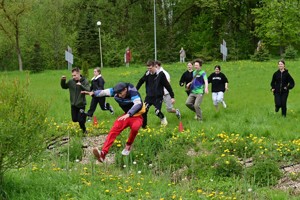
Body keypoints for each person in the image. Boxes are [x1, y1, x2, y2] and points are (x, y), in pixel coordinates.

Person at [82, 82, 145, 163]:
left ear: (125, 90)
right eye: (117, 94)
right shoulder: (115, 92)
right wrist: (92, 93)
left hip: (137, 116)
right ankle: (103, 154)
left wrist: (129, 114)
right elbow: (103, 92)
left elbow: (138, 103)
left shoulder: (132, 91)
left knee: (135, 127)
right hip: (125, 115)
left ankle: (128, 145)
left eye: (121, 93)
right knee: (114, 130)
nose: (119, 95)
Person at [136, 60, 175, 128]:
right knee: (143, 111)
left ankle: (163, 119)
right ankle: (144, 126)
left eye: (150, 68)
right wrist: (135, 90)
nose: (149, 70)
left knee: (157, 112)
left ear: (155, 66)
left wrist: (172, 97)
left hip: (158, 97)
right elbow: (141, 81)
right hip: (149, 97)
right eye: (148, 68)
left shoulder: (160, 74)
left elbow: (167, 85)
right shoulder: (147, 74)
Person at [60, 67, 90, 133]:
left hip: (81, 104)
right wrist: (63, 80)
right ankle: (84, 115)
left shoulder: (85, 81)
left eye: (75, 75)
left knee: (80, 120)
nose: (73, 77)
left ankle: (84, 130)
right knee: (74, 119)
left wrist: (81, 85)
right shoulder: (71, 81)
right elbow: (64, 87)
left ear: (79, 73)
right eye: (72, 75)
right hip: (73, 104)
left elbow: (88, 90)